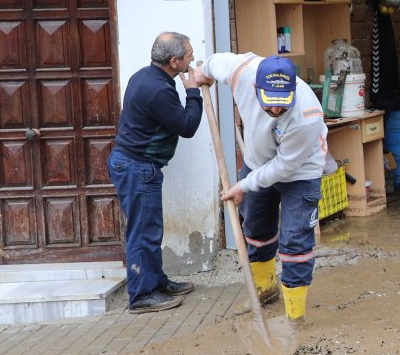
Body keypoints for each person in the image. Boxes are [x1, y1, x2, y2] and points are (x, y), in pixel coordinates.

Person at [199, 53, 330, 321]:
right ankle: (265, 289)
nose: (276, 111)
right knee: (256, 230)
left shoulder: (307, 114)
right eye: (270, 104)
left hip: (300, 172)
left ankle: (295, 316)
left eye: (283, 104)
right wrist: (204, 72)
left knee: (295, 239)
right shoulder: (243, 73)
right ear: (256, 88)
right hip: (257, 162)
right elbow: (215, 63)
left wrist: (243, 186)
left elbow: (283, 167)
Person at [108, 32, 203, 314]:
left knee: (149, 229)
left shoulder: (145, 76)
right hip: (137, 168)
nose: (192, 59)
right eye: (188, 55)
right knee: (143, 232)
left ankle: (157, 282)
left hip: (132, 164)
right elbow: (187, 127)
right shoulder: (159, 90)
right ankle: (141, 295)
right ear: (174, 61)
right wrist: (194, 91)